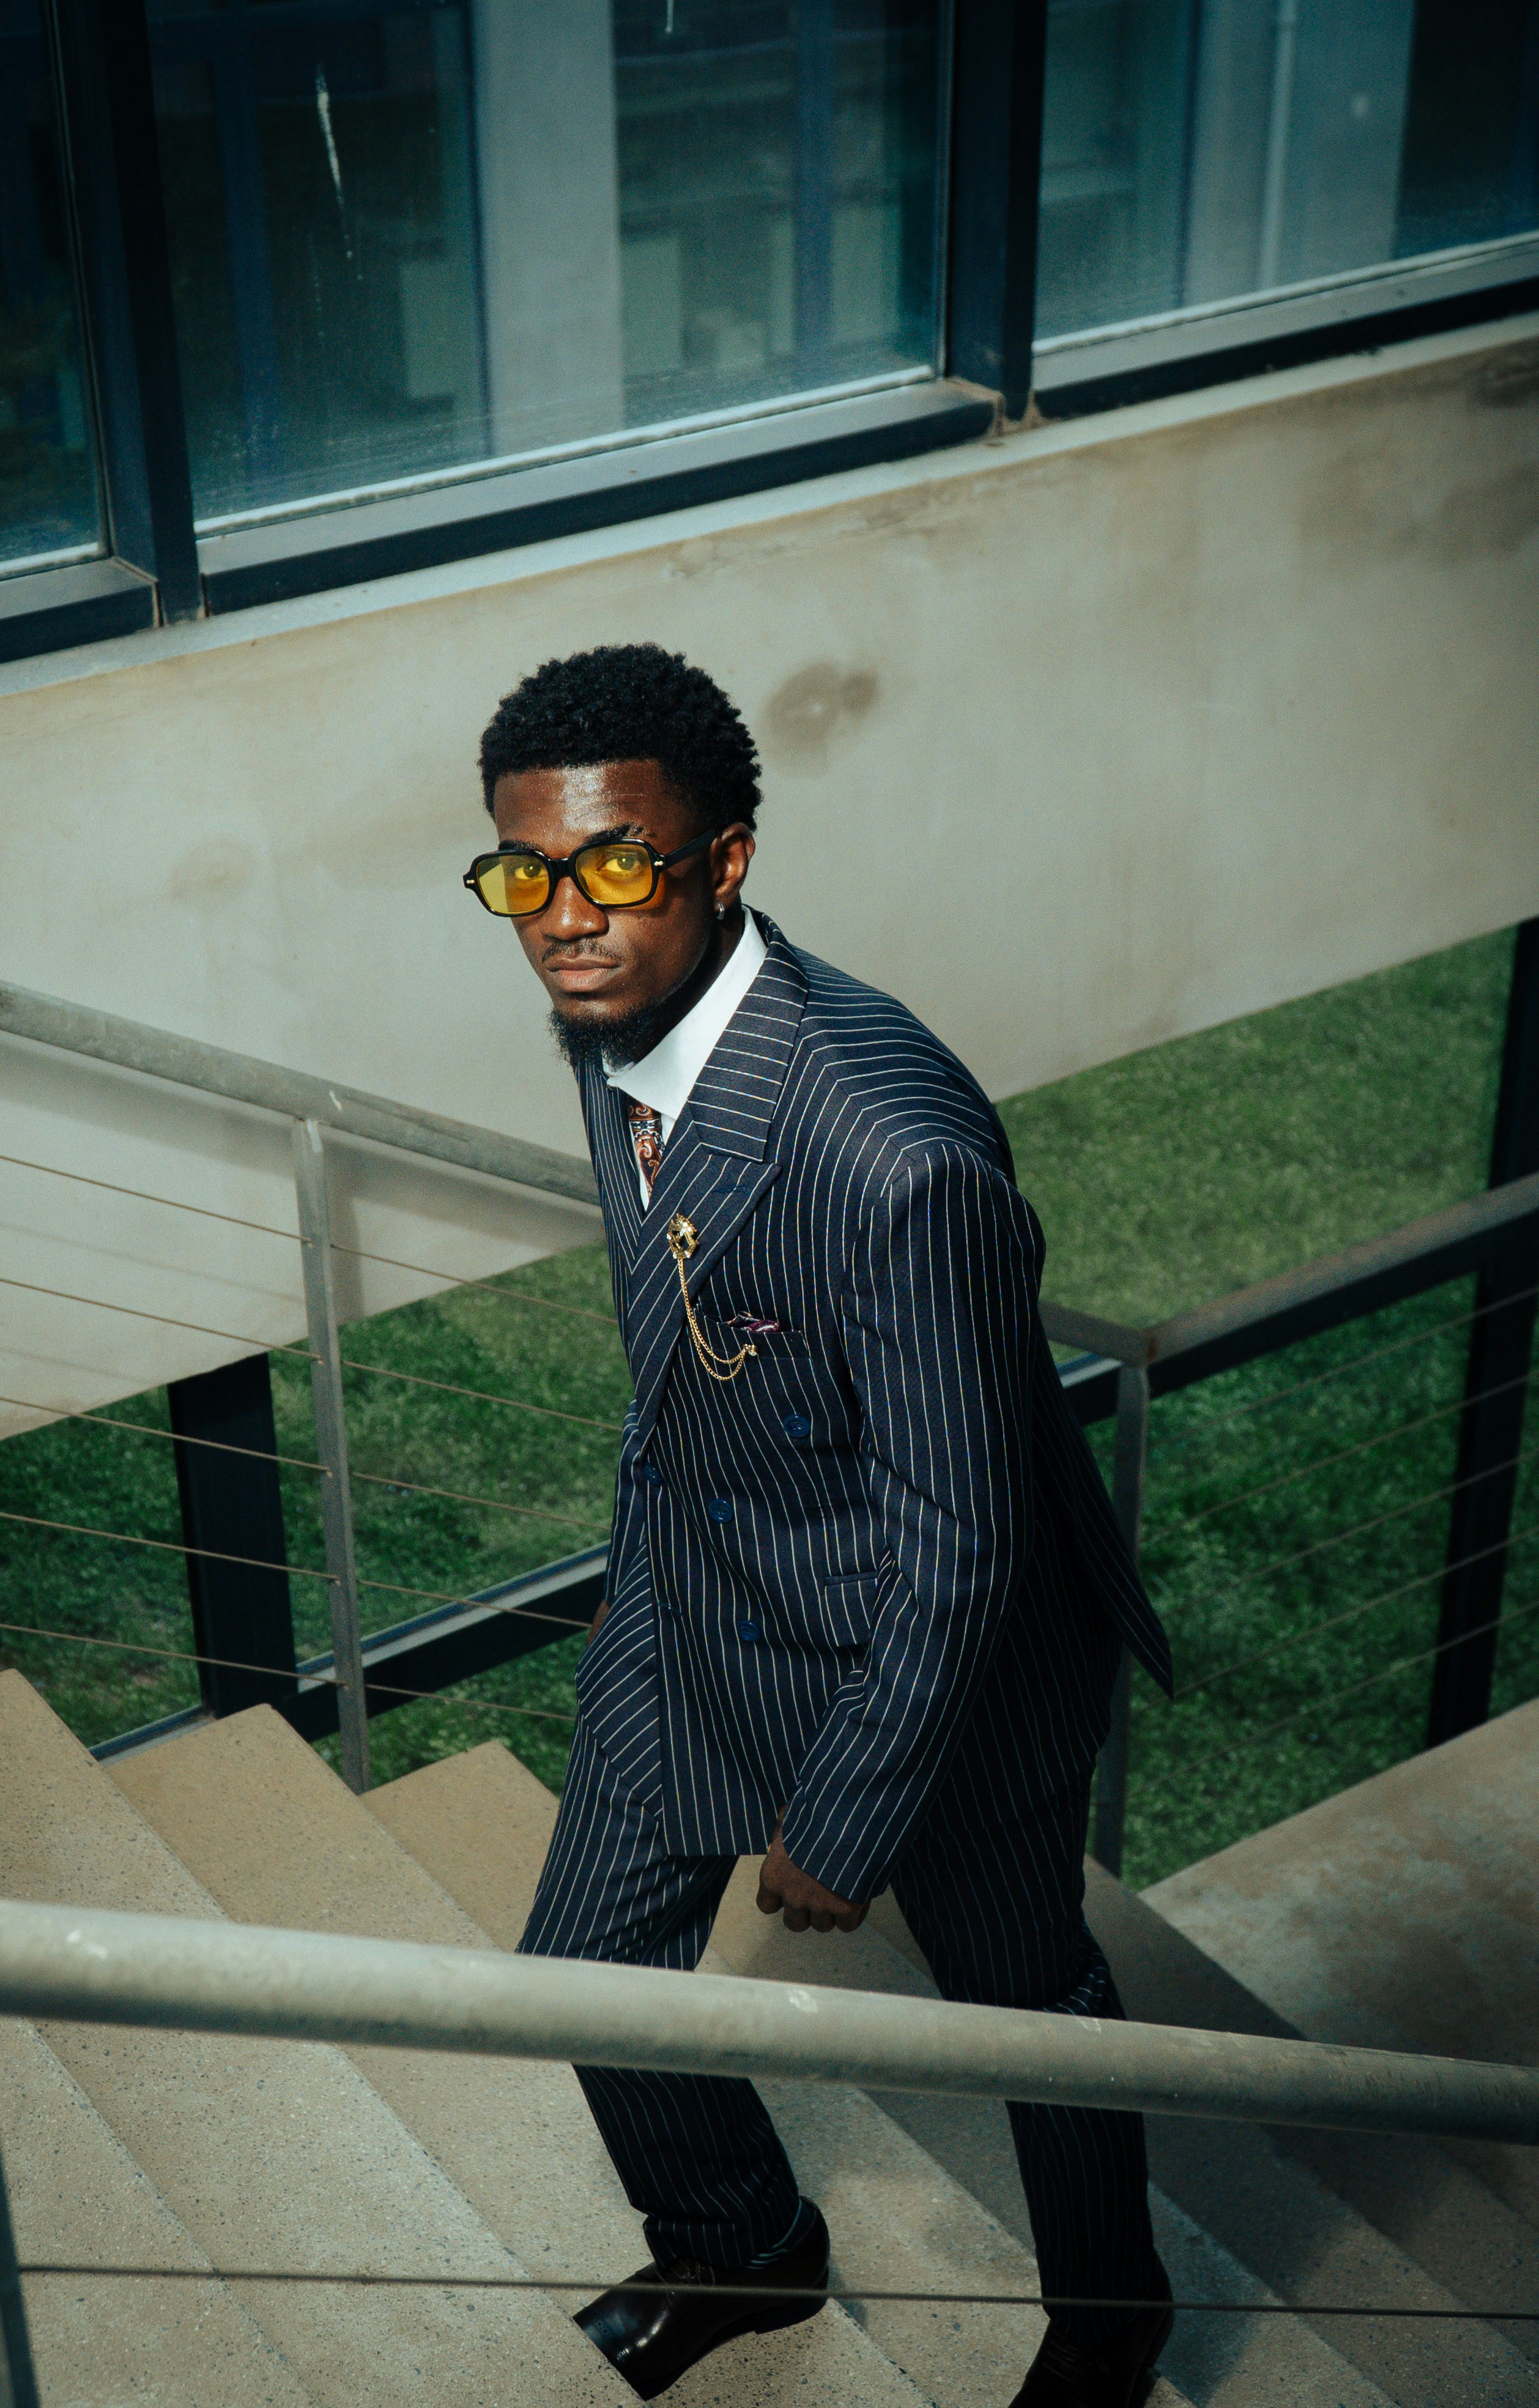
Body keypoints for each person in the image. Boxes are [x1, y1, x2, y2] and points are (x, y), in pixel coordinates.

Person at [467, 643, 1174, 2407]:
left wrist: (848, 1808)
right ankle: (747, 2247)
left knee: (1031, 2002)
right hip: (702, 1599)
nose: (565, 915)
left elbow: (961, 1536)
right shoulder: (613, 1010)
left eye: (617, 861)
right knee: (579, 1972)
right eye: (524, 872)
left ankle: (1111, 2318)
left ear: (725, 860)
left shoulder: (894, 1152)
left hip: (936, 1670)